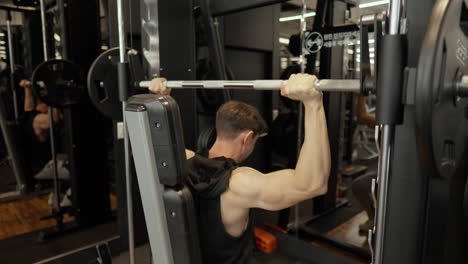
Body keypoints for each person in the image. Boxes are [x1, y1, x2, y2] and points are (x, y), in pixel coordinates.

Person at [149, 73, 330, 264]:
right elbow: (313, 185)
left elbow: (155, 135)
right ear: (247, 138)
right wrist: (313, 104)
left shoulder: (180, 160)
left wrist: (161, 98)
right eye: (255, 142)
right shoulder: (238, 184)